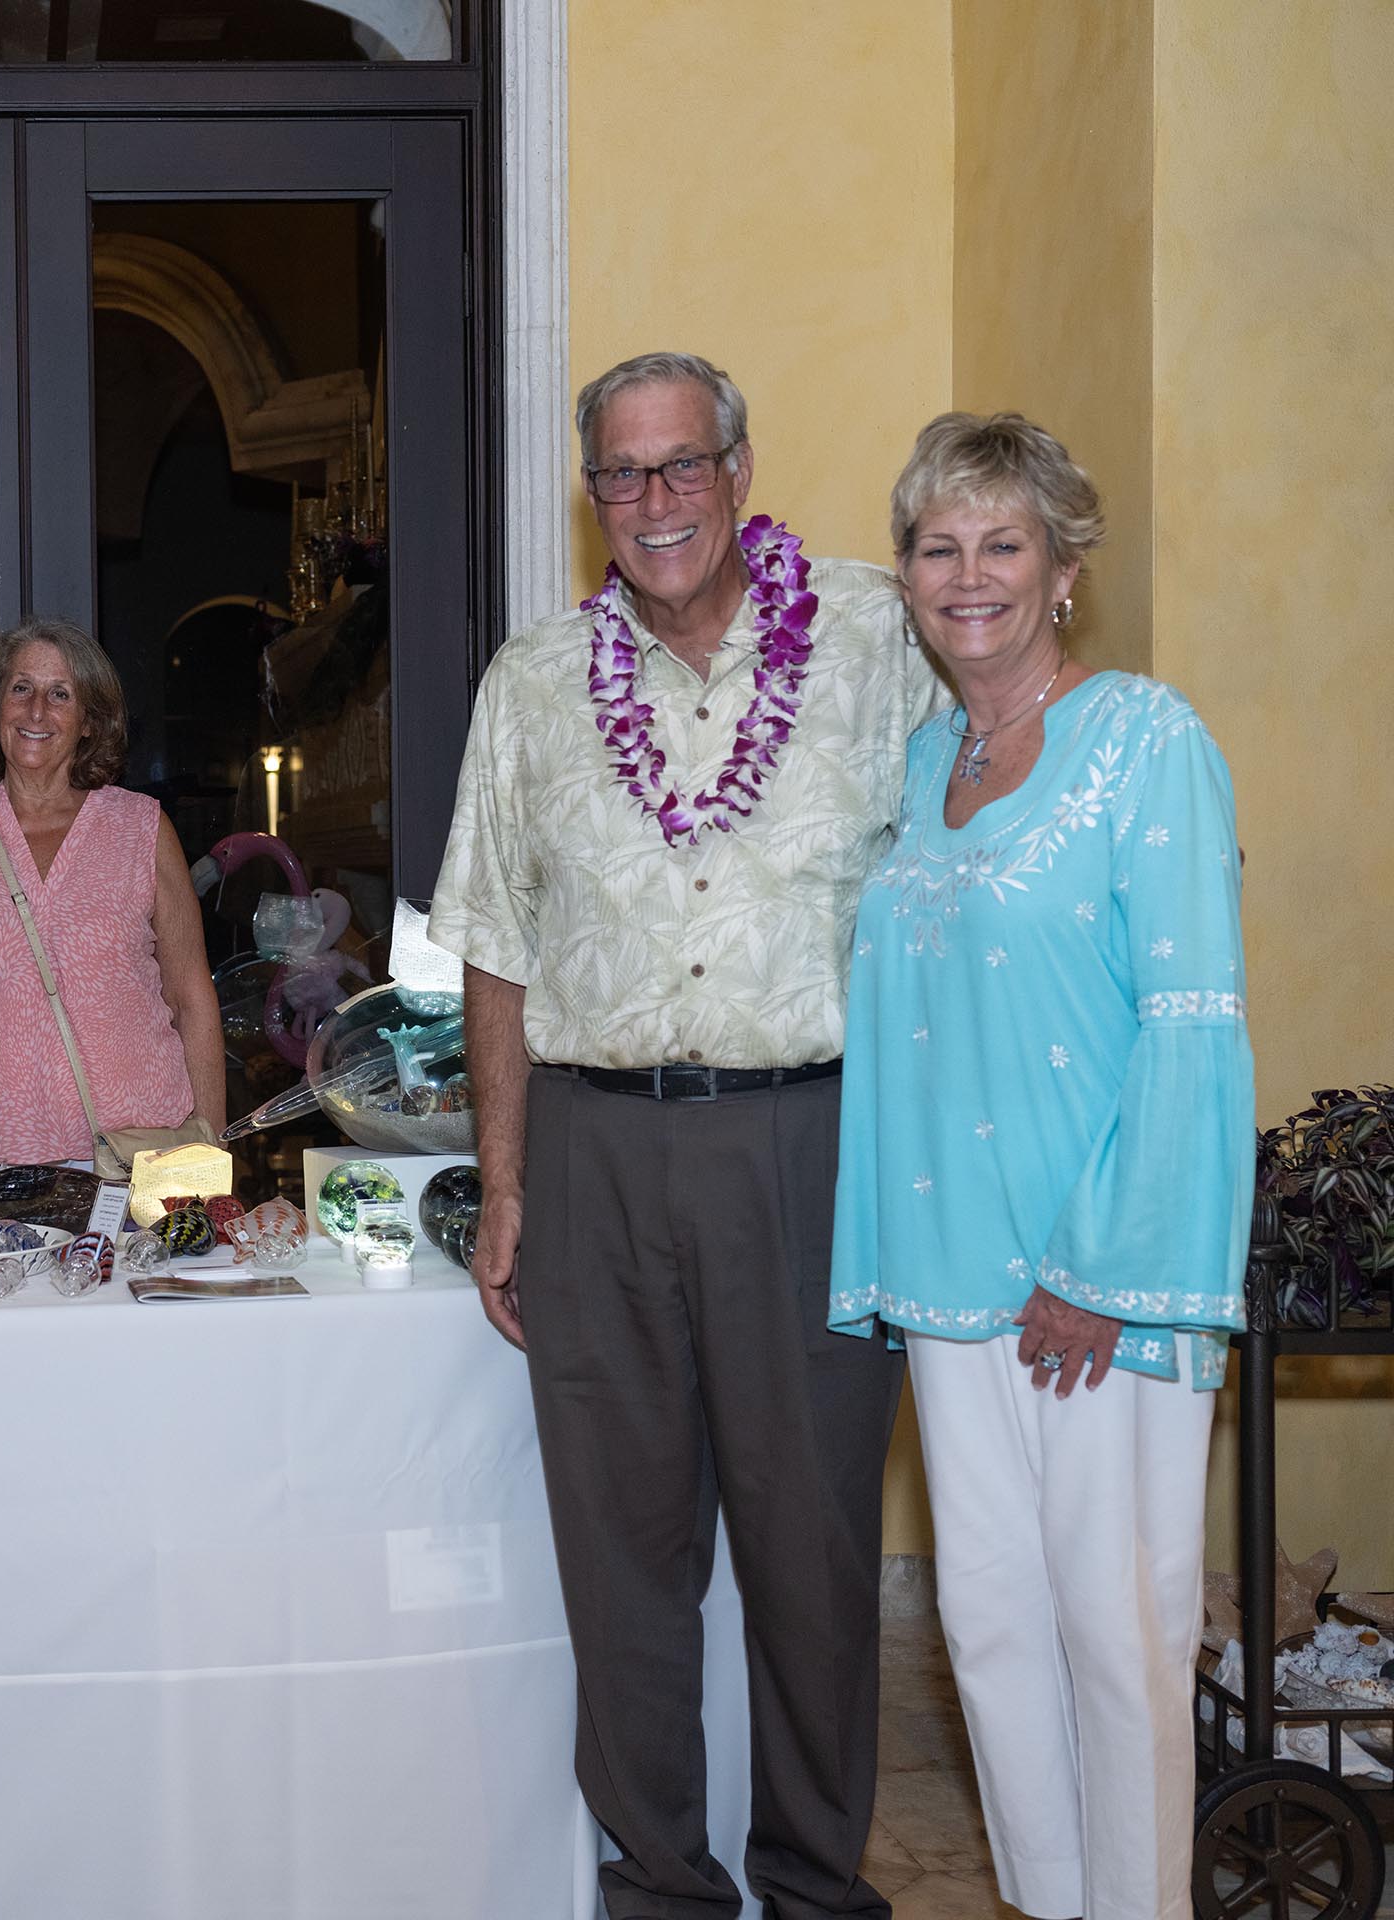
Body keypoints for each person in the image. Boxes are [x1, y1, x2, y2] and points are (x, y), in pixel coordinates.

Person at [429, 351, 944, 1918]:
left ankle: (815, 1884)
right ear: (593, 498)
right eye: (621, 477)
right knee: (624, 1562)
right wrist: (506, 1187)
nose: (655, 504)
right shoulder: (531, 682)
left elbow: (976, 858)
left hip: (813, 1147)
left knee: (812, 1560)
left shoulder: (877, 637)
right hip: (596, 1155)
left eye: (681, 467)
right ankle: (660, 1883)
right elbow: (495, 952)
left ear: (738, 466)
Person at [830, 414, 1249, 1920]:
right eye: (939, 546)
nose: (970, 574)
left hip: (1100, 1282)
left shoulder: (1150, 740)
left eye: (1003, 541)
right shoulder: (923, 756)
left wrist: (1098, 1268)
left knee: (1113, 1632)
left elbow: (1191, 1029)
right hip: (949, 1280)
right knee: (989, 1620)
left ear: (1064, 568)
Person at [0, 617, 224, 1196]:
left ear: (90, 721)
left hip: (139, 1166)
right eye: (21, 688)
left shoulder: (142, 829)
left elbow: (191, 997)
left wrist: (211, 1151)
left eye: (60, 694)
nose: (37, 710)